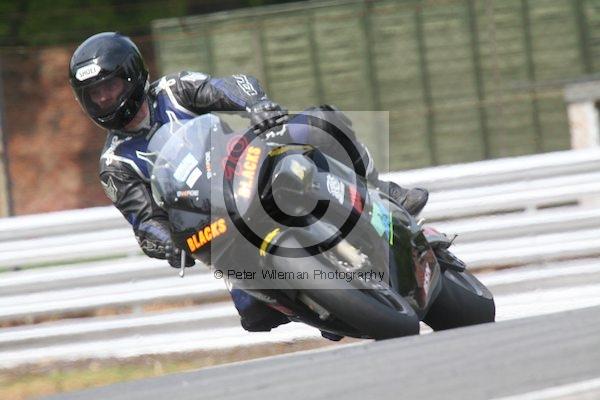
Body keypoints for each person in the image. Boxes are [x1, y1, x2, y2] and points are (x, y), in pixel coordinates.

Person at [69, 32, 428, 336]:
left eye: (109, 86)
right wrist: (164, 243)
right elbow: (144, 219)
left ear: (132, 75)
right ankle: (324, 304)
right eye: (94, 94)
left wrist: (256, 104)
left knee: (321, 122)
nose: (104, 99)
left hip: (248, 165)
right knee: (253, 314)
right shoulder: (115, 164)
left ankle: (381, 190)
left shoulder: (173, 90)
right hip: (214, 222)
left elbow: (226, 87)